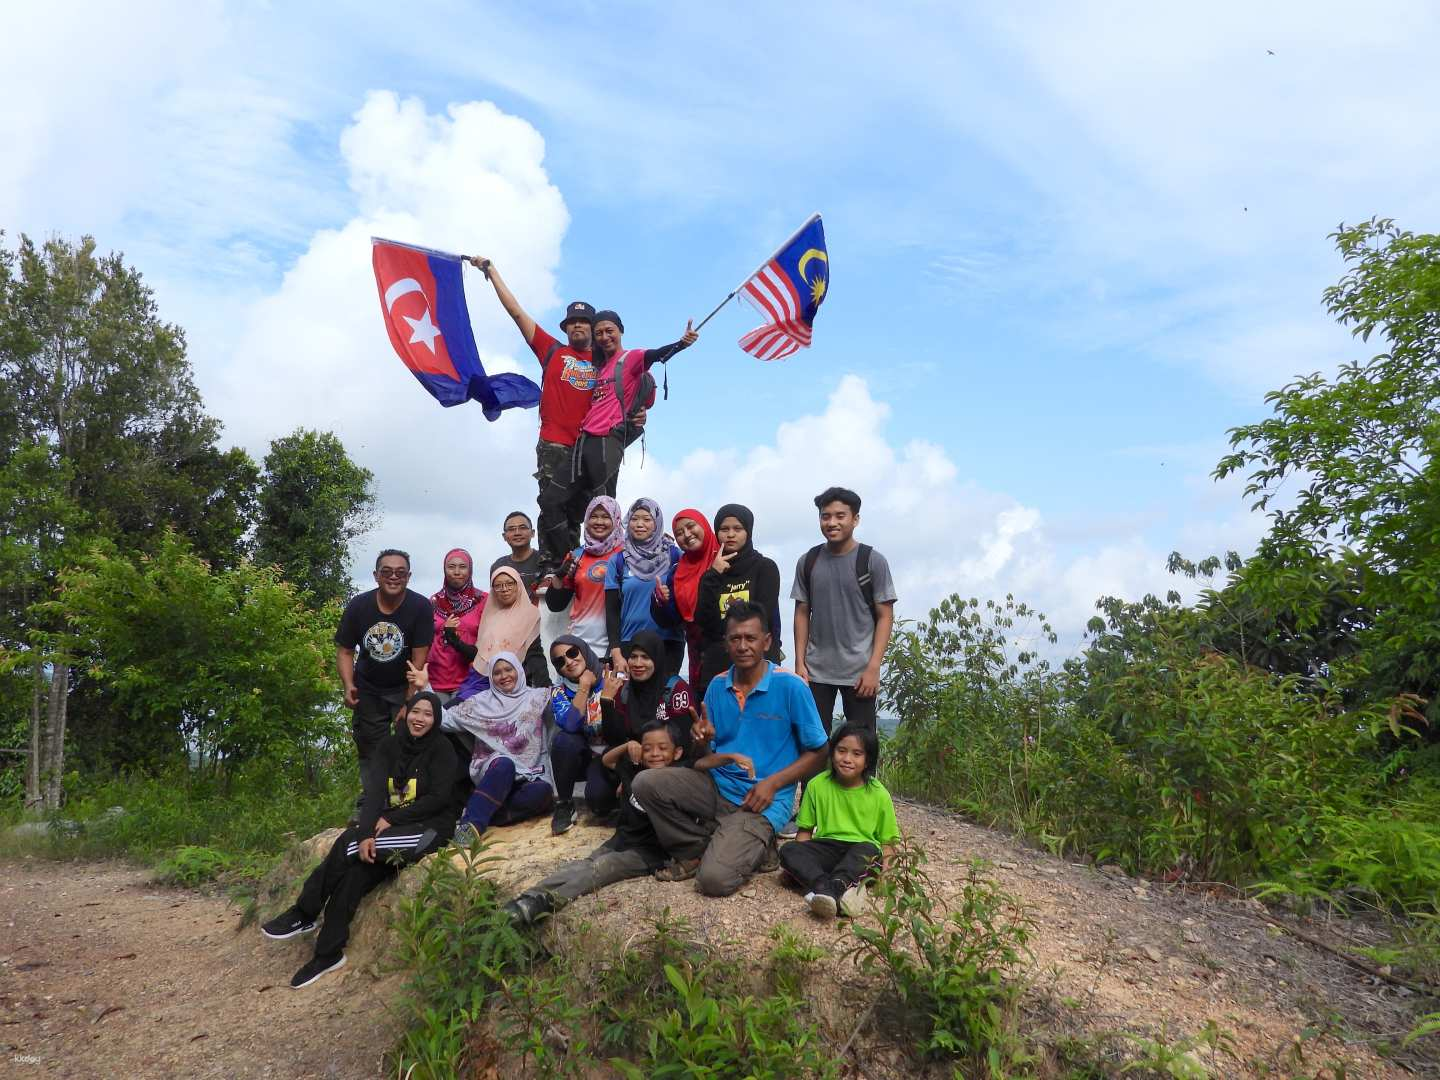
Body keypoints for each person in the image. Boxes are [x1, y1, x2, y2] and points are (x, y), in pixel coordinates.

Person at [261, 690, 457, 988]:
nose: (420, 719)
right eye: (416, 711)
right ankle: (328, 952)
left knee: (348, 844)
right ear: (405, 713)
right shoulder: (390, 746)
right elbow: (375, 794)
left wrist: (390, 820)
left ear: (436, 719)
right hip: (390, 829)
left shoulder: (442, 749)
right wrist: (367, 832)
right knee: (355, 873)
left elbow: (440, 798)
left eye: (428, 714)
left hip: (427, 831)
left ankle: (304, 912)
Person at [632, 601, 828, 897]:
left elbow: (820, 752)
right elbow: (705, 759)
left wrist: (773, 784)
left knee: (713, 881)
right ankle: (699, 847)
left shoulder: (790, 687)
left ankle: (748, 843)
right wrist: (700, 742)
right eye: (735, 638)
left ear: (767, 641)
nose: (743, 646)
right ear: (726, 643)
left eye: (750, 638)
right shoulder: (717, 686)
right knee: (645, 783)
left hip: (763, 799)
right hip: (718, 787)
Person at [469, 255, 597, 579]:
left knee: (578, 511)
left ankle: (574, 560)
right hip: (555, 442)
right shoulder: (552, 350)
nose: (578, 326)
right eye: (573, 323)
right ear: (566, 328)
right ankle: (551, 563)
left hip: (588, 446)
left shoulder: (604, 361)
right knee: (551, 503)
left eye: (584, 322)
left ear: (594, 329)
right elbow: (516, 312)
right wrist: (491, 271)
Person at [503, 721, 686, 927]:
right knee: (583, 865)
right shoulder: (633, 769)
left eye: (663, 748)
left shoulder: (678, 780)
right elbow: (607, 761)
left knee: (602, 868)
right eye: (647, 748)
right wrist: (627, 746)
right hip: (622, 839)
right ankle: (527, 897)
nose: (655, 754)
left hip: (649, 852)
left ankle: (545, 904)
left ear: (677, 753)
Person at [791, 487, 897, 734]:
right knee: (812, 743)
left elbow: (885, 616)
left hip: (860, 672)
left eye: (840, 516)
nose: (832, 522)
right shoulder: (808, 561)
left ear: (855, 519)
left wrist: (873, 667)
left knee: (861, 744)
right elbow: (801, 612)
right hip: (815, 671)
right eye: (825, 516)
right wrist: (800, 662)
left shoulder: (872, 560)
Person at [571, 310, 698, 500]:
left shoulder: (631, 358)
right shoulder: (599, 367)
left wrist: (681, 343)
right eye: (599, 333)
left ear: (620, 331)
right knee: (583, 498)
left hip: (608, 438)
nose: (605, 337)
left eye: (609, 330)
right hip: (586, 440)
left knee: (602, 499)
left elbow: (655, 355)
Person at [779, 723, 900, 919]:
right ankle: (829, 889)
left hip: (860, 853)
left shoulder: (879, 794)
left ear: (868, 760)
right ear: (832, 752)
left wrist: (886, 877)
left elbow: (887, 843)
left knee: (869, 851)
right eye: (841, 751)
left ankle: (830, 888)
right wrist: (797, 863)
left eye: (856, 754)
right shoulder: (817, 785)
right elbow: (805, 832)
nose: (847, 759)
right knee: (788, 850)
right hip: (827, 848)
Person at [335, 549, 434, 780]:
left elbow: (419, 659)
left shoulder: (420, 606)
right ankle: (371, 801)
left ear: (408, 577)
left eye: (400, 572)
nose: (393, 577)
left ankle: (406, 800)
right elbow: (345, 651)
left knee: (410, 743)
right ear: (376, 575)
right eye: (386, 572)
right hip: (368, 687)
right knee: (370, 748)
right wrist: (348, 684)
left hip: (403, 687)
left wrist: (411, 700)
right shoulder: (359, 606)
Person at [443, 653, 555, 844]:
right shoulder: (480, 702)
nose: (504, 676)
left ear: (519, 671)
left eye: (508, 669)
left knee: (543, 792)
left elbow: (566, 708)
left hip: (528, 772)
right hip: (495, 768)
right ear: (491, 678)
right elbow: (445, 720)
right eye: (497, 673)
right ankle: (470, 826)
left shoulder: (538, 697)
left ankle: (484, 812)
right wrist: (423, 687)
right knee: (505, 764)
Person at [695, 504, 781, 694]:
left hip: (757, 664)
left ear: (748, 532)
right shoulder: (711, 574)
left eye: (738, 529)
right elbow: (703, 620)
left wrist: (726, 630)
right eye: (724, 529)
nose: (730, 534)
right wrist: (713, 575)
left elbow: (762, 617)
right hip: (718, 666)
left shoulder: (765, 568)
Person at [605, 498, 683, 679]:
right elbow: (612, 611)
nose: (640, 524)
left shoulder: (674, 555)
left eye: (647, 519)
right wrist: (616, 652)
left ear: (657, 523)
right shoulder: (618, 561)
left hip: (668, 643)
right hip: (629, 644)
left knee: (664, 703)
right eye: (634, 518)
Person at [544, 495, 622, 660]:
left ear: (616, 519)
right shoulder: (577, 554)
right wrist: (559, 575)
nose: (599, 521)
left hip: (617, 647)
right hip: (579, 647)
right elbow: (556, 605)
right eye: (593, 516)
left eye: (605, 516)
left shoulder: (627, 554)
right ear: (586, 520)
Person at [546, 633, 606, 835]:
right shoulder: (558, 691)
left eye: (572, 653)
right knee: (563, 740)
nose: (569, 662)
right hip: (582, 757)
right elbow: (571, 724)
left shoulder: (610, 676)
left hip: (611, 755)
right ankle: (564, 803)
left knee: (600, 803)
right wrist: (584, 687)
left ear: (584, 650)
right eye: (560, 661)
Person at [600, 630, 694, 757]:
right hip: (635, 757)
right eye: (633, 657)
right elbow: (614, 740)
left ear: (657, 659)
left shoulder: (676, 689)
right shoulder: (624, 690)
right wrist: (606, 700)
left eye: (645, 657)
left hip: (667, 761)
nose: (638, 664)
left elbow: (683, 742)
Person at [655, 508, 718, 690]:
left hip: (733, 648)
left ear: (704, 525)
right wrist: (660, 602)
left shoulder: (726, 556)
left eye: (691, 526)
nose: (687, 535)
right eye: (679, 533)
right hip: (699, 655)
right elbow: (672, 620)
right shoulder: (677, 571)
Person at [474, 565, 547, 689]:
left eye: (509, 583)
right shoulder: (490, 616)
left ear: (518, 585)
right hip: (483, 679)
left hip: (516, 682)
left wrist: (545, 687)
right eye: (498, 586)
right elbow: (481, 652)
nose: (504, 589)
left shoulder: (530, 614)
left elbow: (534, 653)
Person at [427, 548, 485, 703]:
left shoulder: (483, 600)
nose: (457, 572)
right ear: (444, 570)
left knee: (462, 726)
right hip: (436, 679)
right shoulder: (433, 602)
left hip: (470, 680)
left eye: (462, 566)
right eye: (451, 567)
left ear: (470, 569)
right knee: (437, 724)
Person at [491, 510, 543, 594]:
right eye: (511, 529)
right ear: (504, 536)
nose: (517, 533)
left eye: (522, 528)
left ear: (533, 533)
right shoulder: (498, 566)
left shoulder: (545, 560)